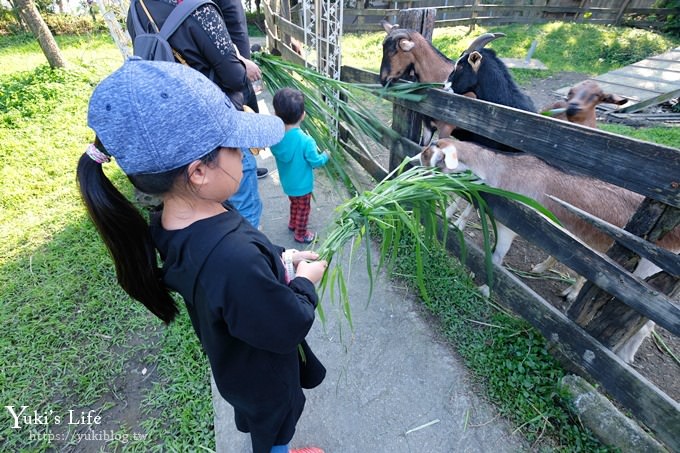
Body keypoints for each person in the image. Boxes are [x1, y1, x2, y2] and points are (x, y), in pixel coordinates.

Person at [77, 59, 327, 453]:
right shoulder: (232, 258)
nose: (245, 155)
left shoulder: (173, 221)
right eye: (235, 147)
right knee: (274, 430)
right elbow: (288, 325)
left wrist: (282, 258)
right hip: (265, 378)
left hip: (236, 365)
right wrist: (304, 282)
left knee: (260, 421)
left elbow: (239, 271)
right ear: (198, 172)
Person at [126, 0, 268, 226]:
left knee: (203, 206)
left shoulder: (137, 8)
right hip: (216, 124)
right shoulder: (200, 11)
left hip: (176, 126)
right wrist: (243, 64)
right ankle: (250, 254)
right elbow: (234, 77)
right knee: (244, 204)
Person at [270, 88, 329, 244]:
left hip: (287, 183)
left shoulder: (275, 138)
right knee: (303, 209)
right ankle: (300, 233)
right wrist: (325, 156)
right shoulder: (306, 141)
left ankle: (292, 224)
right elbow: (315, 162)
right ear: (303, 115)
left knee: (294, 203)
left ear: (276, 114)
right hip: (302, 185)